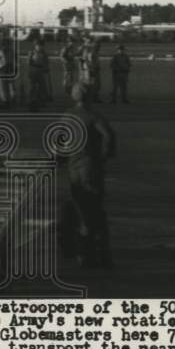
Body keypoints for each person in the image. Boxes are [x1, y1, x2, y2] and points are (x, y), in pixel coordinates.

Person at [59, 83, 116, 268]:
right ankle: (94, 253)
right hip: (90, 169)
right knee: (94, 210)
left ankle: (79, 250)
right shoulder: (93, 117)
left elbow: (58, 142)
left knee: (79, 206)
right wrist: (104, 155)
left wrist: (58, 159)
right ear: (89, 97)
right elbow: (108, 135)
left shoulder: (67, 117)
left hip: (73, 169)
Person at [27, 40, 50, 111]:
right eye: (38, 45)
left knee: (42, 87)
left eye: (41, 46)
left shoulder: (44, 53)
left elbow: (47, 62)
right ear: (35, 46)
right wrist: (35, 65)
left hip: (41, 71)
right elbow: (29, 62)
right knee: (32, 87)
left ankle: (41, 101)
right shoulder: (32, 52)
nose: (40, 47)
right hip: (34, 70)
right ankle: (31, 101)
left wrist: (46, 68)